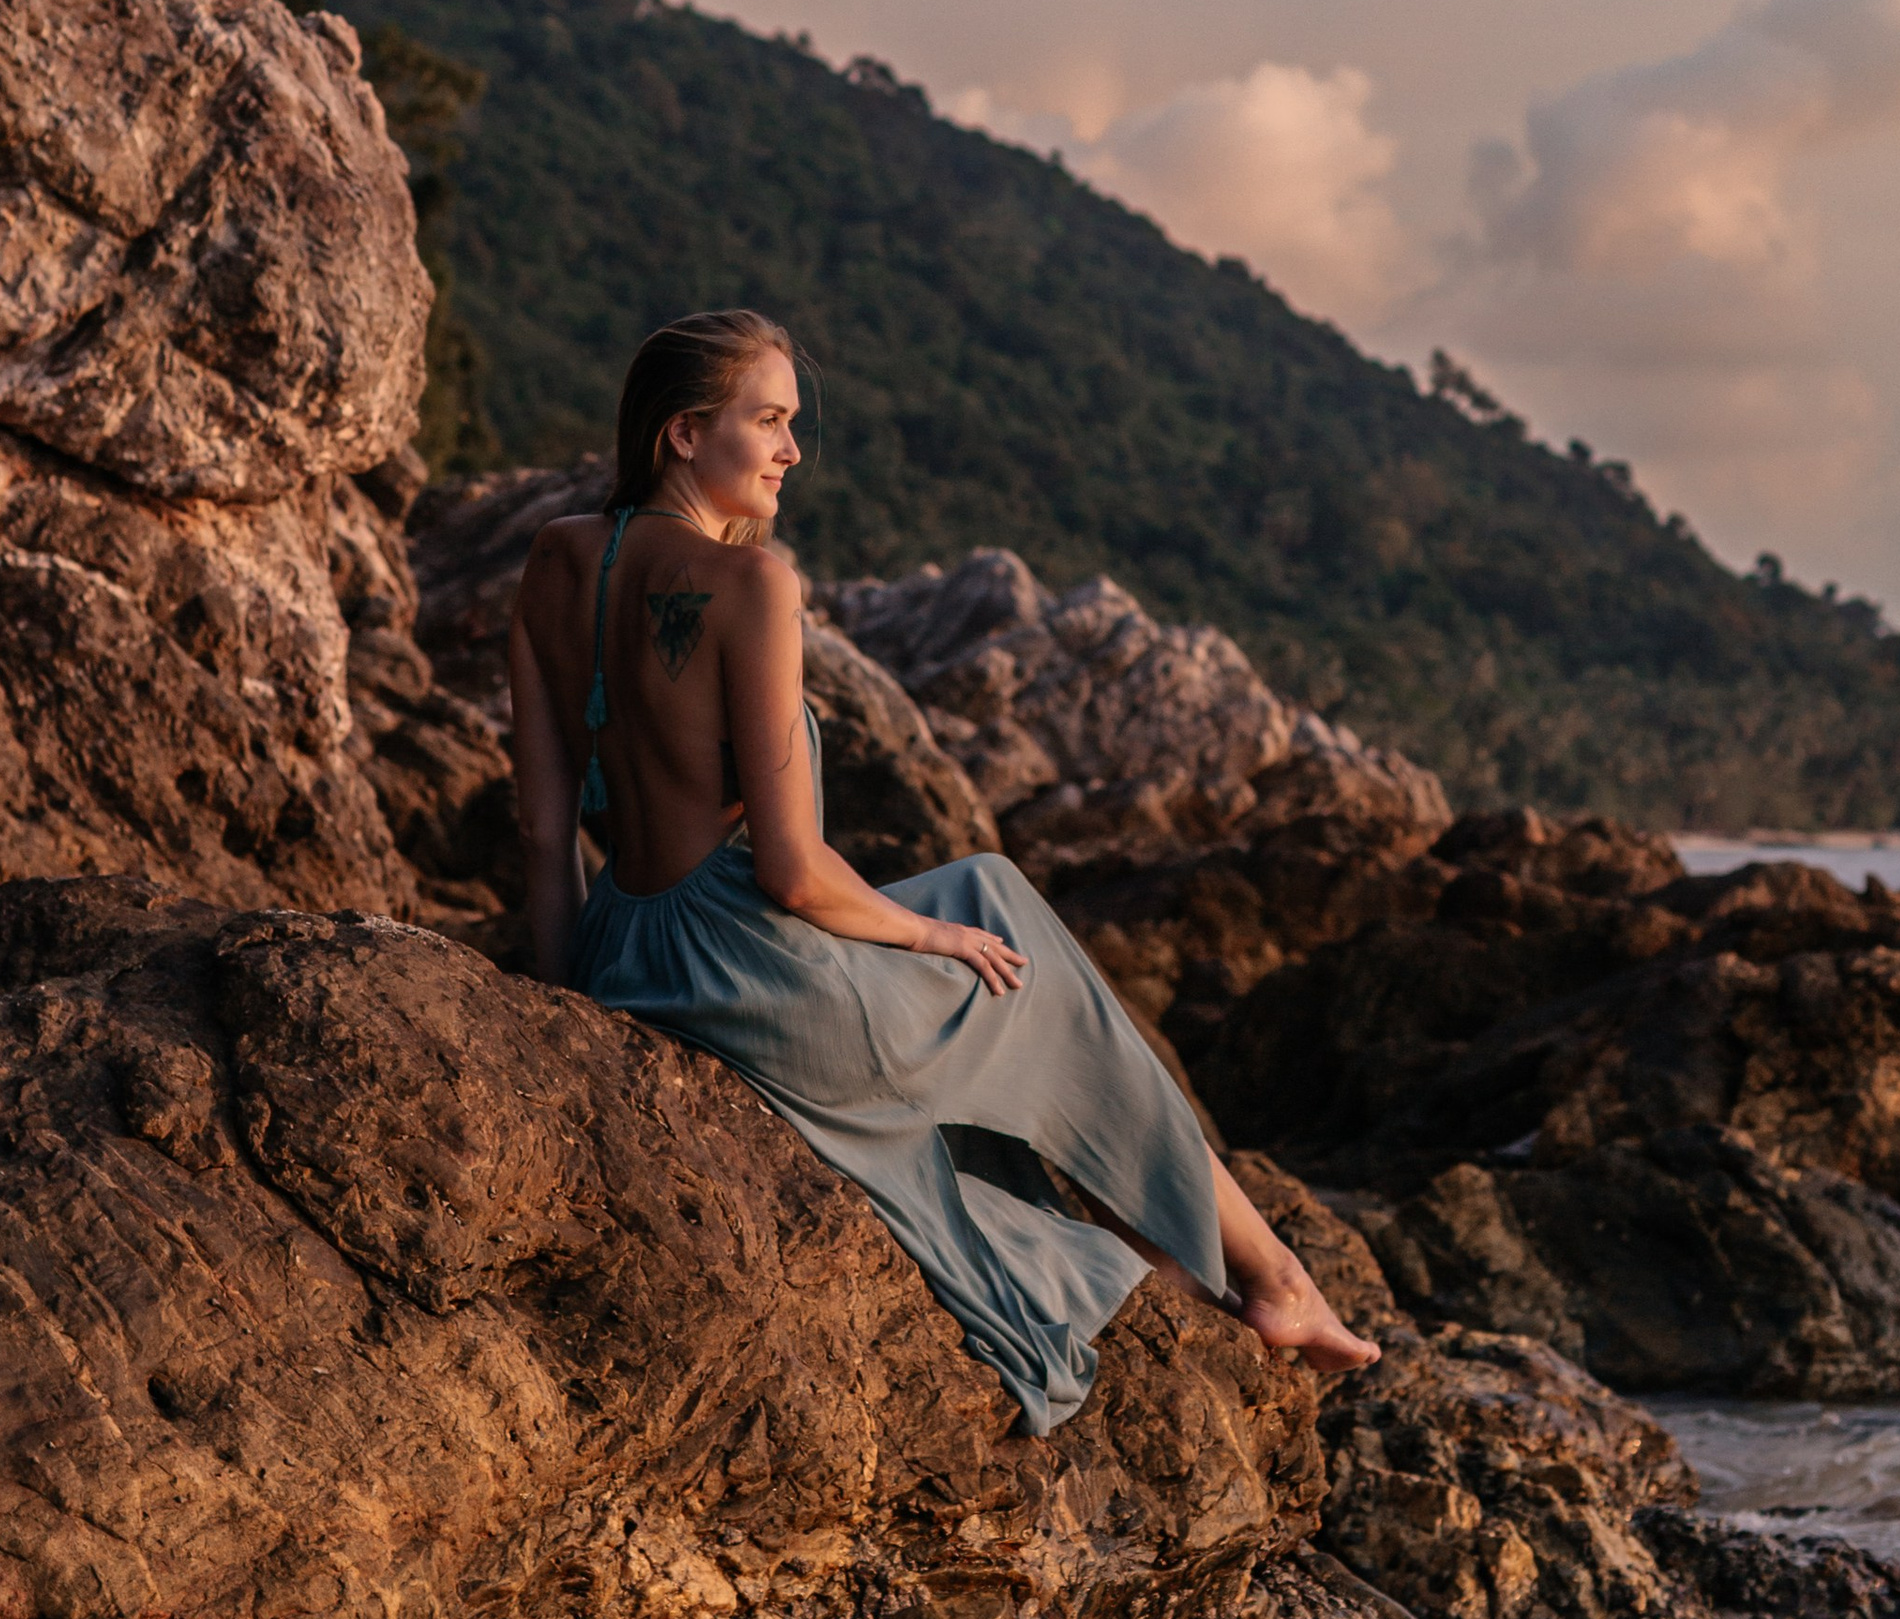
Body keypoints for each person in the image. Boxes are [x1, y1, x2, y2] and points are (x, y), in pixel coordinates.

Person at [509, 305, 1378, 1435]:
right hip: (753, 971)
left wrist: (570, 1011)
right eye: (768, 421)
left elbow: (540, 835)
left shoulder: (557, 558)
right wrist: (934, 941)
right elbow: (792, 874)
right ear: (682, 434)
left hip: (629, 945)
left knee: (985, 885)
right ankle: (1268, 1278)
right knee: (1007, 942)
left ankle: (1215, 1260)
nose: (791, 451)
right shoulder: (751, 586)